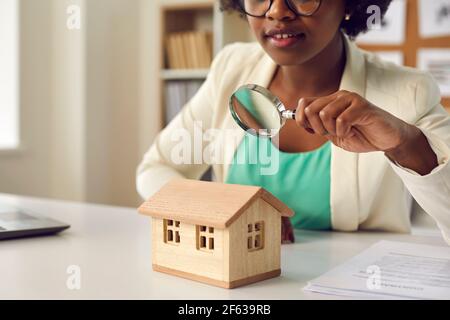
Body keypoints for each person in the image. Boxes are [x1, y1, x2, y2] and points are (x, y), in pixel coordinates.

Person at [137, 0, 450, 245]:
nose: (276, 11)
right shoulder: (231, 68)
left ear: (350, 4)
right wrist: (228, 208)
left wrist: (405, 144)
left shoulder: (407, 92)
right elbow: (155, 169)